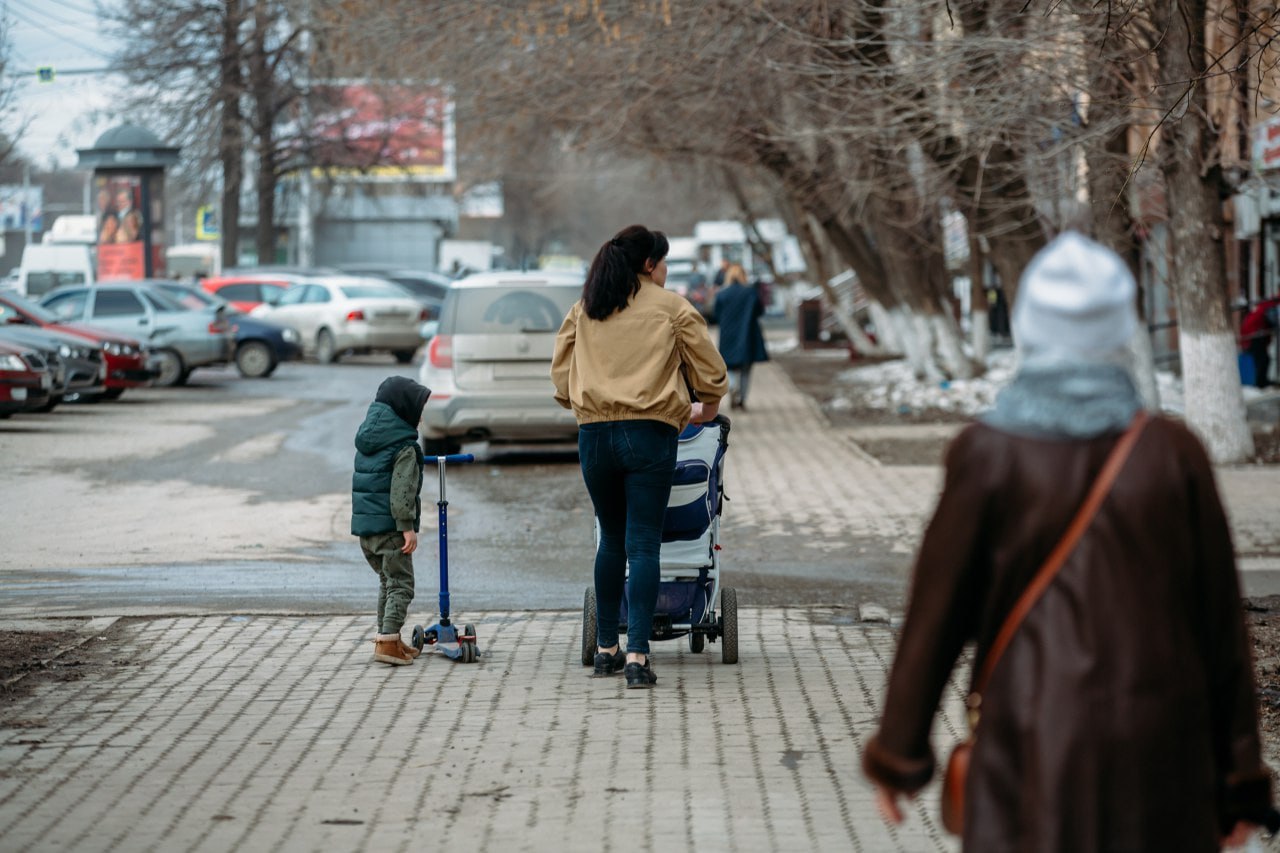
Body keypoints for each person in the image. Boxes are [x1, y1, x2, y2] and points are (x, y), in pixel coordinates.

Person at [862, 232, 1273, 851]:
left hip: (1028, 747)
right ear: (1119, 333)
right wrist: (1240, 779)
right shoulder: (1171, 453)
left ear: (1030, 327)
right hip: (1164, 758)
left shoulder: (988, 454)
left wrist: (900, 753)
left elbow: (937, 616)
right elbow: (1221, 630)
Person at [552, 224, 729, 689]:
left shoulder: (586, 307)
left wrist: (586, 403)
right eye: (663, 261)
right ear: (649, 265)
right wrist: (704, 408)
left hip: (593, 436)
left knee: (610, 539)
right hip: (648, 434)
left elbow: (559, 376)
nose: (666, 270)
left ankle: (606, 648)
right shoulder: (671, 308)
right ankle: (638, 657)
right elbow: (711, 373)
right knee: (644, 542)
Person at [351, 376, 432, 666]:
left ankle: (389, 640)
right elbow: (401, 494)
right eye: (418, 408)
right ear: (404, 410)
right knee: (401, 584)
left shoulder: (369, 440)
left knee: (387, 581)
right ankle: (387, 643)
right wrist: (407, 528)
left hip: (367, 529)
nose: (422, 416)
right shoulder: (404, 447)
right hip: (390, 529)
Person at [714, 263, 768, 410]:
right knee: (746, 369)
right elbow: (760, 311)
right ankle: (742, 400)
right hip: (748, 333)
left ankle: (732, 386)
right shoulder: (750, 292)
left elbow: (716, 315)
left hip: (728, 334)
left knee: (729, 366)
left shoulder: (722, 293)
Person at [1240, 296, 1279, 389]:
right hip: (1254, 336)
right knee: (1262, 359)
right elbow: (1272, 321)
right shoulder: (1270, 306)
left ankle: (1261, 381)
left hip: (1253, 335)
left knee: (1263, 359)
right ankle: (1260, 383)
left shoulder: (1266, 304)